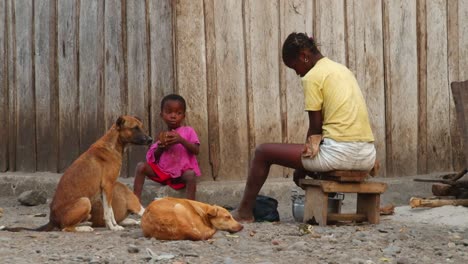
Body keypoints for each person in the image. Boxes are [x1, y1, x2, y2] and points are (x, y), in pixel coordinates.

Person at [231, 32, 376, 222]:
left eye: (294, 67)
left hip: (341, 155)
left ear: (303, 56)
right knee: (316, 155)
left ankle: (244, 212)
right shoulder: (342, 70)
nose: (297, 73)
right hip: (367, 156)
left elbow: (315, 128)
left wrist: (301, 167)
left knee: (262, 152)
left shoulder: (313, 76)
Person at [133, 94, 201, 201]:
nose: (173, 116)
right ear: (162, 115)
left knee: (191, 175)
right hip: (164, 173)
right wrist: (161, 147)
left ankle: (190, 206)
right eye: (169, 112)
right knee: (141, 166)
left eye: (178, 113)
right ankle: (135, 203)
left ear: (183, 116)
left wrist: (181, 140)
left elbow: (196, 150)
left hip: (181, 175)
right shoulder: (162, 135)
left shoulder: (188, 131)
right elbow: (152, 157)